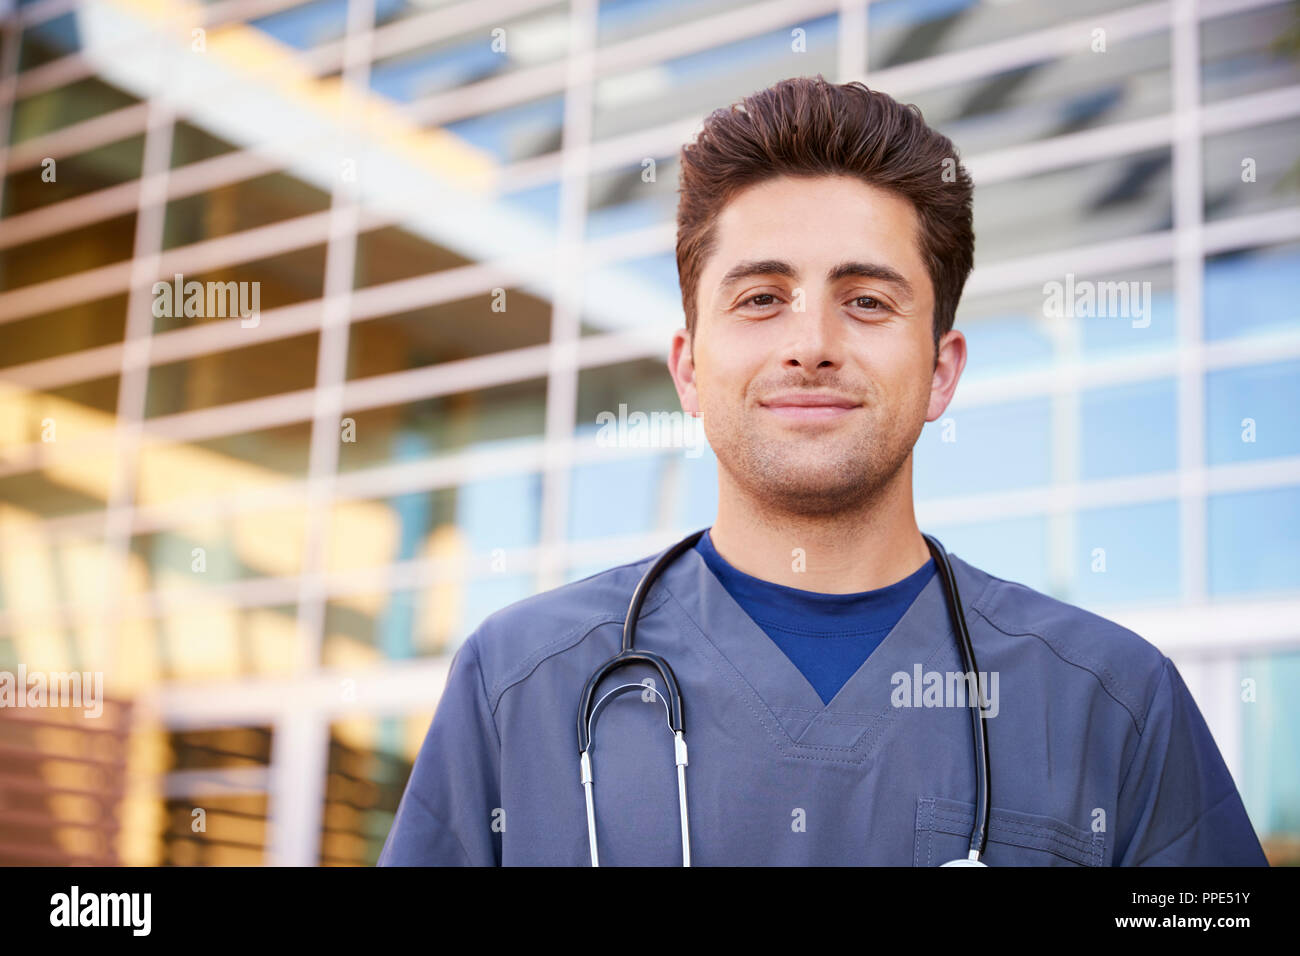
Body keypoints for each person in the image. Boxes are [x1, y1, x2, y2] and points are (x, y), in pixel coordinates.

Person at [377, 76, 1268, 866]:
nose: (811, 345)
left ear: (942, 371)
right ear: (689, 368)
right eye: (762, 298)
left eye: (867, 302)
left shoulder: (1110, 705)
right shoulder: (518, 685)